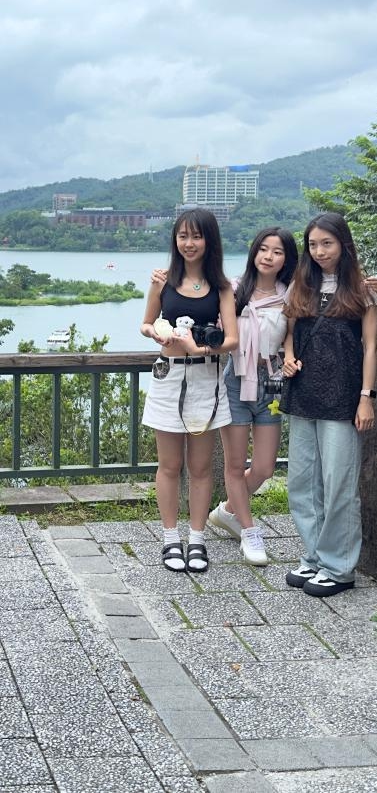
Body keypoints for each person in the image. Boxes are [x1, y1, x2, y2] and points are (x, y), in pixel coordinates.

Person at [280, 212, 377, 597]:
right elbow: (289, 333)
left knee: (339, 484)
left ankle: (339, 568)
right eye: (313, 244)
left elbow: (370, 348)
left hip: (343, 399)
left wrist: (366, 398)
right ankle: (314, 557)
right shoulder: (301, 286)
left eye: (328, 243)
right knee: (302, 483)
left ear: (343, 244)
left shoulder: (362, 291)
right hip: (303, 394)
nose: (319, 251)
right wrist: (288, 356)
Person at [141, 208, 238, 573]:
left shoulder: (222, 287)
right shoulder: (162, 281)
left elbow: (232, 339)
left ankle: (196, 539)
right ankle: (170, 540)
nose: (189, 243)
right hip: (168, 377)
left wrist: (202, 348)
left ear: (209, 240)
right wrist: (158, 333)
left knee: (199, 468)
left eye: (196, 236)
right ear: (175, 240)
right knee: (169, 466)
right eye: (183, 236)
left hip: (205, 378)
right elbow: (145, 323)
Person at [205, 227, 299, 566]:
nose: (269, 257)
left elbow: (292, 334)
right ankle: (249, 531)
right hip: (235, 379)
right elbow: (216, 329)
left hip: (271, 381)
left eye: (277, 251)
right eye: (263, 249)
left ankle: (228, 511)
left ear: (286, 258)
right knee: (234, 464)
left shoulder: (290, 296)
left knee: (263, 467)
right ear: (254, 253)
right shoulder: (233, 290)